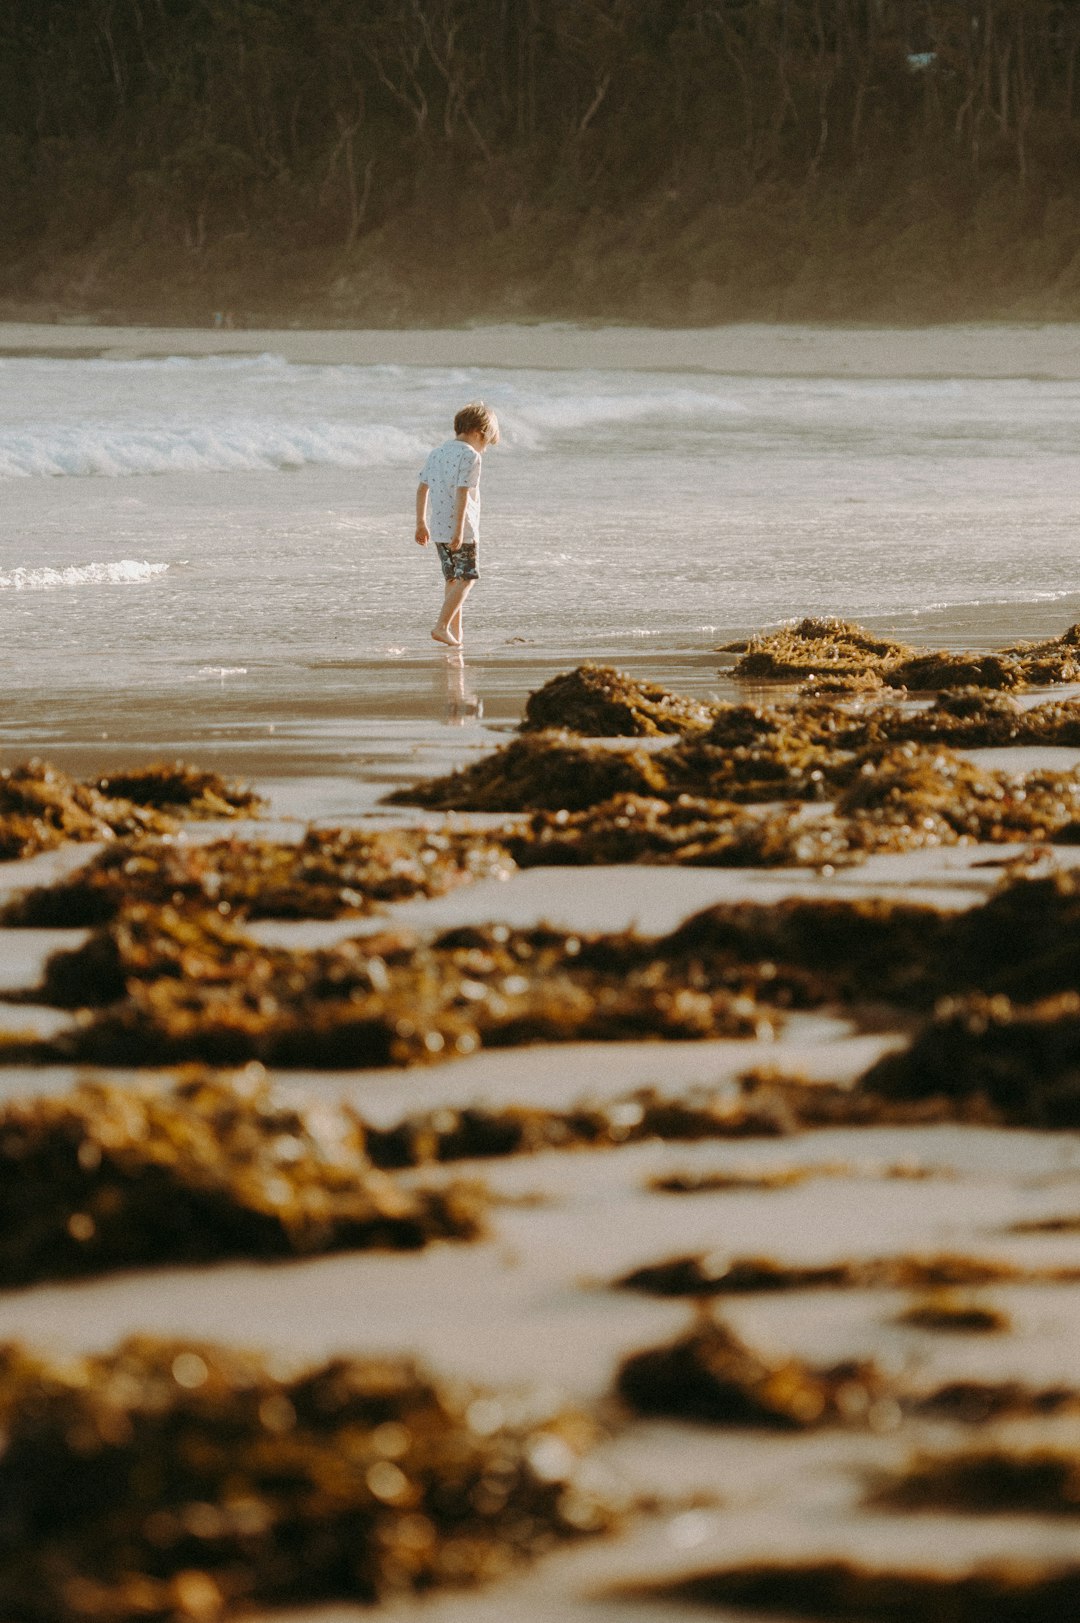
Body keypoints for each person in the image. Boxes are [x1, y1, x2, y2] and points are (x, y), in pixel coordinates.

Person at [415, 402, 499, 646]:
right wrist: (460, 531)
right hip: (461, 530)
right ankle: (442, 626)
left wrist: (420, 523)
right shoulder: (470, 456)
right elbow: (462, 492)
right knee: (468, 578)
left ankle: (456, 634)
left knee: (452, 580)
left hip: (438, 528)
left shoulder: (437, 453)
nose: (484, 450)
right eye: (486, 443)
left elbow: (422, 489)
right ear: (478, 433)